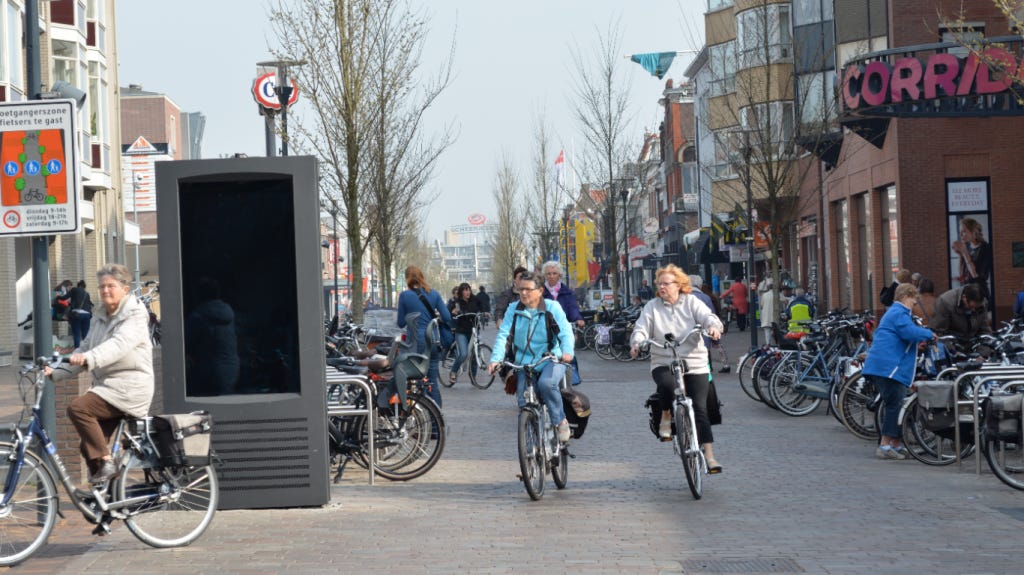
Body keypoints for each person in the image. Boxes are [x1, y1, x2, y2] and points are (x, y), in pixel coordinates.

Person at [46, 264, 153, 484]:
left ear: (125, 288)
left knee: (78, 408)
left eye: (111, 286)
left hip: (130, 387)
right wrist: (56, 371)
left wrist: (89, 358)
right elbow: (84, 348)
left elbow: (118, 345)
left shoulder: (134, 314)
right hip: (109, 387)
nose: (105, 290)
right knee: (88, 447)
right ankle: (108, 497)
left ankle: (107, 461)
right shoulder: (100, 316)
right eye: (102, 286)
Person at [629, 264, 725, 472]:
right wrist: (637, 342)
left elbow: (709, 317)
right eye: (659, 283)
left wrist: (713, 328)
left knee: (700, 408)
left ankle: (709, 456)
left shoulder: (692, 302)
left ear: (678, 285)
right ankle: (665, 414)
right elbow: (641, 328)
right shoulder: (652, 306)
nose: (662, 287)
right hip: (664, 360)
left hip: (695, 361)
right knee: (666, 384)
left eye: (666, 283)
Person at [488, 271, 576, 443]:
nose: (524, 293)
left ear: (540, 290)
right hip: (524, 363)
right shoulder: (513, 309)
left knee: (546, 384)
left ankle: (560, 421)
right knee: (523, 401)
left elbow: (566, 332)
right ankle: (531, 452)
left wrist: (567, 352)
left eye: (528, 289)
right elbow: (504, 335)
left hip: (551, 359)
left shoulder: (552, 308)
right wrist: (495, 359)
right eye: (521, 289)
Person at [861, 283, 936, 460]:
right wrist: (929, 334)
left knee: (895, 403)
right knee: (893, 405)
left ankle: (895, 444)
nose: (915, 304)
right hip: (889, 368)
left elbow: (901, 336)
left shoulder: (894, 313)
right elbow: (909, 332)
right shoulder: (899, 313)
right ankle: (885, 446)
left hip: (884, 366)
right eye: (914, 299)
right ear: (905, 297)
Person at [397, 265, 453, 408]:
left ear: (407, 279)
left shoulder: (404, 296)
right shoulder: (433, 294)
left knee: (418, 380)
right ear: (422, 277)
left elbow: (400, 323)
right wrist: (434, 318)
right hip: (433, 341)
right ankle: (436, 422)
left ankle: (423, 419)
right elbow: (447, 317)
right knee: (432, 382)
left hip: (416, 343)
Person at [185, 277, 239, 396]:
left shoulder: (198, 317)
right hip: (232, 369)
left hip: (209, 371)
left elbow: (185, 344)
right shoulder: (229, 314)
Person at [541, 260, 585, 386]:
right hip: (546, 329)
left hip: (563, 327)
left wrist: (578, 319)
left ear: (559, 275)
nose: (551, 276)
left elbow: (572, 308)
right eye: (548, 273)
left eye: (554, 273)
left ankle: (571, 378)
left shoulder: (567, 292)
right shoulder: (540, 293)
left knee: (567, 352)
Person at [931, 283, 992, 349]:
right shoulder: (945, 302)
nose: (973, 310)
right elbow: (938, 333)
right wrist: (954, 352)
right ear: (964, 298)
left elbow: (985, 332)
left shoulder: (982, 304)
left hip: (974, 347)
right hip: (952, 347)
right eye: (971, 307)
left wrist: (982, 354)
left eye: (977, 308)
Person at [447, 282, 485, 384]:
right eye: (465, 290)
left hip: (474, 329)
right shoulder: (458, 302)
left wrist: (485, 312)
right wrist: (454, 312)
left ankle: (473, 376)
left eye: (468, 289)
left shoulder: (475, 299)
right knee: (463, 354)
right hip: (462, 331)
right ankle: (453, 371)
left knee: (475, 352)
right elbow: (453, 310)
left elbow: (482, 306)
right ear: (461, 292)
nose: (467, 292)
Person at [699, 280, 731, 373]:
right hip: (716, 322)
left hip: (709, 323)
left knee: (706, 346)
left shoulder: (705, 298)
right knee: (717, 344)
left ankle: (709, 366)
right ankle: (726, 364)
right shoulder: (713, 297)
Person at [952, 217, 992, 289]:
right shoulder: (967, 246)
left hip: (978, 290)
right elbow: (962, 274)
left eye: (963, 231)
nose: (960, 234)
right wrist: (960, 254)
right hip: (966, 289)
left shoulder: (985, 248)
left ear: (973, 232)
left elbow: (976, 277)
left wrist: (965, 253)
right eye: (960, 232)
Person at [67, 280, 95, 348]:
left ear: (78, 285)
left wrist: (58, 297)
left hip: (77, 314)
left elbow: (65, 297)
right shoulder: (86, 293)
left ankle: (77, 353)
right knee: (85, 334)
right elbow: (91, 304)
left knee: (77, 334)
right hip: (87, 315)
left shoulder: (74, 290)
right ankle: (86, 352)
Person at [757, 277, 777, 345]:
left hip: (766, 317)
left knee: (767, 331)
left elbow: (761, 306)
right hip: (774, 317)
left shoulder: (764, 295)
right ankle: (776, 344)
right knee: (775, 330)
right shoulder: (776, 295)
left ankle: (768, 344)